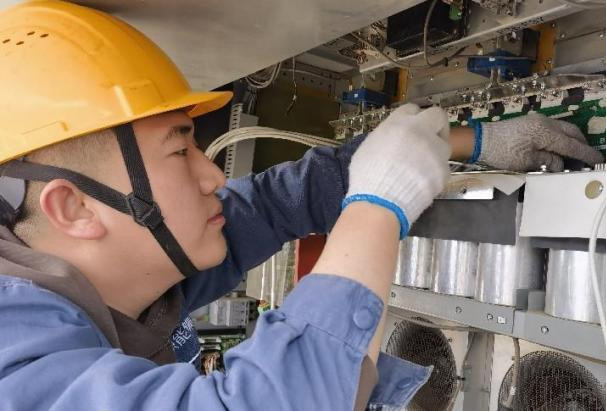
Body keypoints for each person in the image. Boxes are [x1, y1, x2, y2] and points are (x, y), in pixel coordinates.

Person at [0, 1, 603, 410]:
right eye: (181, 150)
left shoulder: (127, 268)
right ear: (74, 209)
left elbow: (274, 202)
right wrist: (377, 206)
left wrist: (468, 141)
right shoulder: (13, 360)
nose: (212, 175)